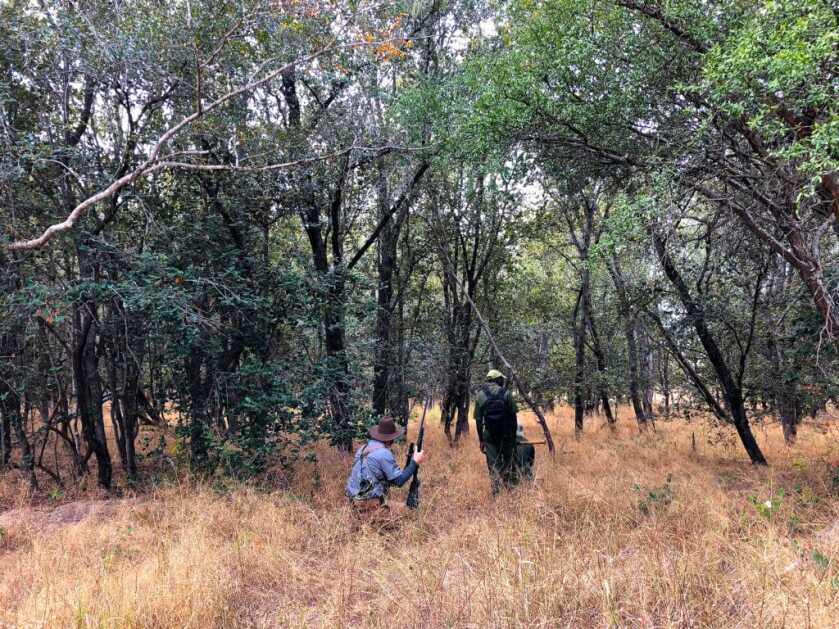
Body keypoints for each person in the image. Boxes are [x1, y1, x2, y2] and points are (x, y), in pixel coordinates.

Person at [345, 415, 426, 522]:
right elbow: (399, 482)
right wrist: (415, 461)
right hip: (368, 505)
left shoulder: (363, 449)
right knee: (409, 512)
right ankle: (373, 518)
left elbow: (388, 479)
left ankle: (363, 516)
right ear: (390, 440)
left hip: (353, 503)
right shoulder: (384, 453)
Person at [474, 369, 518, 495]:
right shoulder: (507, 394)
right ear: (497, 380)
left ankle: (496, 492)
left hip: (489, 436)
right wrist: (513, 437)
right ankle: (511, 491)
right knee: (509, 462)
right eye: (501, 379)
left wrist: (481, 440)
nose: (503, 381)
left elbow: (478, 420)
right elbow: (514, 417)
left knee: (493, 465)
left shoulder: (480, 395)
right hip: (507, 435)